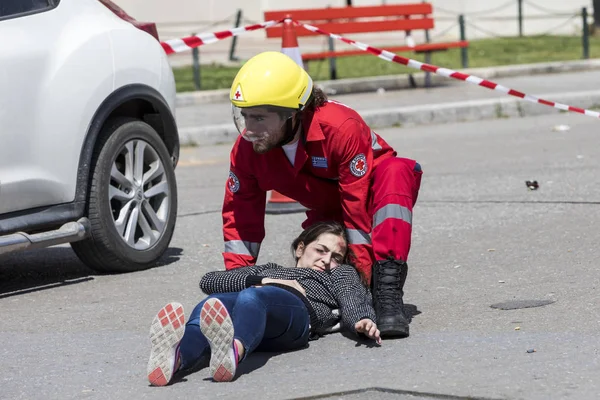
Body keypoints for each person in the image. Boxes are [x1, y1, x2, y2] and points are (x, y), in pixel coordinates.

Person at [223, 51, 423, 338]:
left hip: (372, 197)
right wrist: (236, 281)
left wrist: (364, 282)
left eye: (258, 118)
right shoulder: (247, 149)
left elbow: (356, 207)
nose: (249, 130)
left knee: (396, 171)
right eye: (244, 117)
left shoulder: (341, 127)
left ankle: (387, 294)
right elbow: (240, 217)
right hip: (326, 208)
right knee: (319, 269)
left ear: (292, 114)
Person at [147, 221, 380, 386]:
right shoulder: (272, 270)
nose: (327, 260)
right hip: (256, 317)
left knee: (252, 297)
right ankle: (176, 359)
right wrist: (265, 279)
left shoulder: (338, 274)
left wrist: (362, 320)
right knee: (213, 300)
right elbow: (209, 281)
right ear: (301, 248)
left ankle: (231, 351)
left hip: (298, 317)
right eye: (320, 250)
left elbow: (352, 297)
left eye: (336, 257)